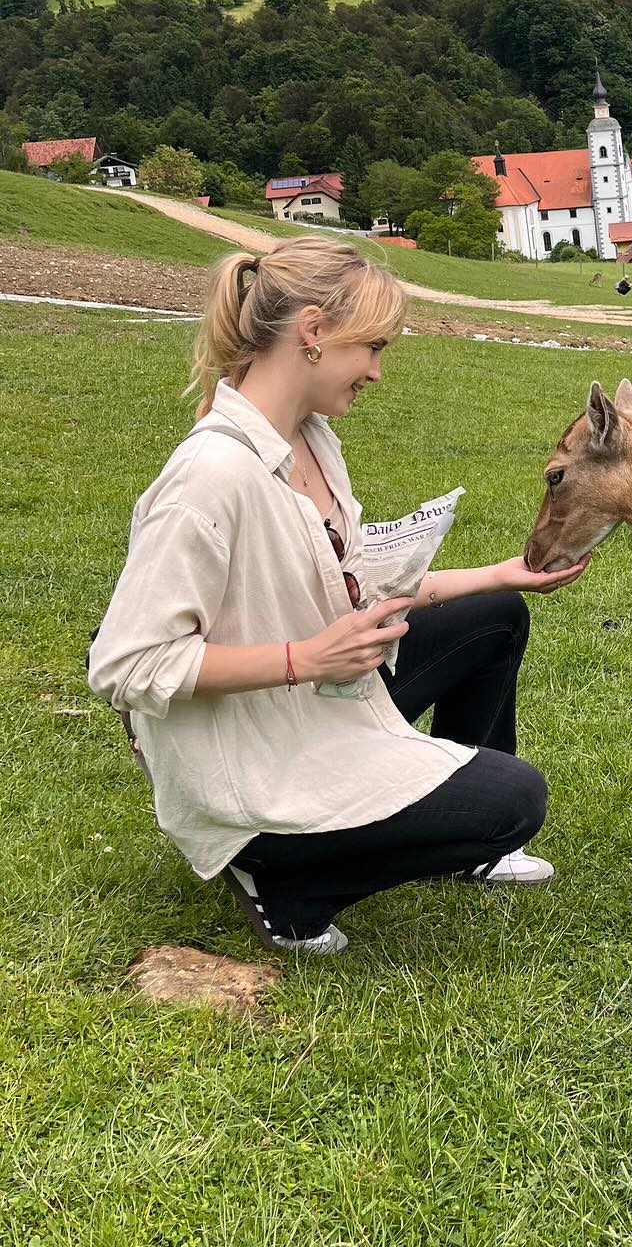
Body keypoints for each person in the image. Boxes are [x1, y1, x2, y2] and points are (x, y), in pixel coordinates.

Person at [88, 235, 586, 954]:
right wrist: (306, 658)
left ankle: (452, 836)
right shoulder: (208, 478)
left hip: (317, 701)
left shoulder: (312, 441)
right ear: (314, 332)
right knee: (515, 799)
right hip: (255, 745)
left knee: (497, 616)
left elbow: (355, 589)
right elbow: (124, 666)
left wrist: (502, 574)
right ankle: (282, 880)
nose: (378, 373)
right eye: (373, 348)